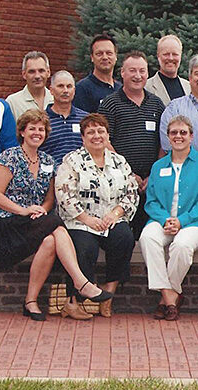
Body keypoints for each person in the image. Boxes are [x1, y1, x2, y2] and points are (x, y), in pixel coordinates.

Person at [0, 109, 112, 321]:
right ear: (22, 132)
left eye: (41, 129)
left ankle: (31, 301)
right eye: (32, 128)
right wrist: (23, 210)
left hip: (33, 222)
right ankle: (81, 283)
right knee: (56, 224)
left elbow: (50, 199)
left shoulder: (48, 161)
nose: (37, 132)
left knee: (51, 240)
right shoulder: (10, 156)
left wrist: (43, 209)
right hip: (5, 222)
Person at [55, 114, 139, 319]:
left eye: (101, 131)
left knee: (125, 239)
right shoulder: (72, 160)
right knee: (85, 248)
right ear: (83, 138)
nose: (96, 136)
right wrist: (86, 219)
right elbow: (64, 193)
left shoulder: (119, 161)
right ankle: (74, 302)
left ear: (108, 135)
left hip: (111, 219)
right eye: (90, 132)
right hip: (81, 221)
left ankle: (108, 294)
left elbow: (132, 192)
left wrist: (115, 213)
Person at [141, 115, 198, 320]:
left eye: (183, 132)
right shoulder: (158, 166)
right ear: (167, 137)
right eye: (174, 133)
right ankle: (170, 296)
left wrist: (182, 221)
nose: (178, 136)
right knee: (148, 238)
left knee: (182, 245)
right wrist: (166, 219)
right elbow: (152, 201)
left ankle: (166, 299)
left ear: (191, 136)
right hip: (164, 220)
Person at [97, 51, 165, 234]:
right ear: (123, 73)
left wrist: (154, 173)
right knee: (124, 233)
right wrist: (128, 173)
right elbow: (104, 140)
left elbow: (163, 142)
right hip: (120, 180)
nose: (137, 76)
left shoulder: (157, 104)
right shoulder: (109, 104)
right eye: (132, 70)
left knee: (149, 232)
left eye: (142, 71)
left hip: (150, 182)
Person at [40, 71, 87, 167]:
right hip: (51, 177)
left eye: (69, 86)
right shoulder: (41, 120)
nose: (65, 90)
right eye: (60, 86)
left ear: (74, 90)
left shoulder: (85, 119)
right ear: (51, 90)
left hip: (82, 178)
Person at [74, 34, 121, 112]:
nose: (105, 57)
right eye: (99, 54)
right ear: (92, 57)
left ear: (115, 56)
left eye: (109, 53)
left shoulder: (121, 89)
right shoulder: (82, 89)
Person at [6, 52, 54, 120]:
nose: (37, 76)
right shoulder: (12, 103)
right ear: (24, 74)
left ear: (48, 72)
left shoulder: (55, 99)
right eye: (32, 71)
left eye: (41, 71)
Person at [147, 35, 190, 106]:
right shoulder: (147, 88)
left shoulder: (189, 88)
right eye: (166, 54)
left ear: (180, 56)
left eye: (175, 54)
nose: (170, 58)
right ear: (158, 56)